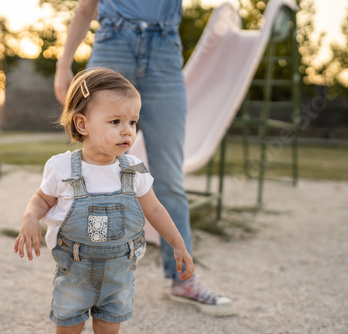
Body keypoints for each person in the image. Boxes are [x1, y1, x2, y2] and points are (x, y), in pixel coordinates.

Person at [53, 0, 235, 317]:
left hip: (164, 51)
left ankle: (184, 281)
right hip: (113, 44)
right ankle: (87, 274)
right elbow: (86, 8)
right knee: (94, 166)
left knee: (170, 178)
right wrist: (63, 65)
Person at [14, 68, 194, 334]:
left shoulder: (133, 169)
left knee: (108, 327)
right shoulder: (62, 168)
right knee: (69, 327)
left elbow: (154, 209)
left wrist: (178, 244)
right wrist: (30, 218)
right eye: (115, 122)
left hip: (118, 276)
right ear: (82, 124)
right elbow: (41, 199)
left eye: (132, 122)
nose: (127, 131)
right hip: (75, 273)